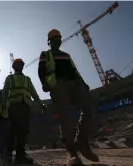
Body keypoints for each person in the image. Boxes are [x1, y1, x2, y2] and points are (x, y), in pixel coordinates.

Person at [38, 29, 99, 165]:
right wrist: (44, 84)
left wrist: (83, 83)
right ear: (49, 42)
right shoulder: (45, 54)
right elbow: (41, 71)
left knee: (89, 106)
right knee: (64, 117)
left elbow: (74, 70)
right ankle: (71, 152)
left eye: (59, 38)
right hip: (58, 85)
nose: (58, 41)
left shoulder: (66, 55)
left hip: (75, 84)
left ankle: (81, 140)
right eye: (54, 39)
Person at [2, 58, 45, 164]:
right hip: (14, 107)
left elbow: (34, 93)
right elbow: (5, 92)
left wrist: (40, 104)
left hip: (25, 107)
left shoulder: (27, 79)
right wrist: (3, 105)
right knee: (13, 131)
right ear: (14, 67)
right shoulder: (10, 78)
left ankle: (20, 155)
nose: (20, 66)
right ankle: (8, 154)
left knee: (23, 132)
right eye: (18, 64)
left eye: (21, 64)